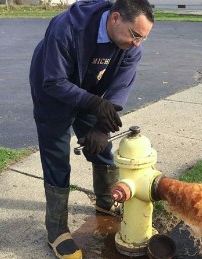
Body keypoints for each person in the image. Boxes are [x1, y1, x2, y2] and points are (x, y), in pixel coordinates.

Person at [29, 0, 154, 258]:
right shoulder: (67, 27)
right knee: (57, 158)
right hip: (52, 92)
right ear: (115, 18)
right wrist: (92, 102)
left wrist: (100, 127)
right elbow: (54, 81)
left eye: (143, 38)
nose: (137, 44)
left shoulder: (131, 45)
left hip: (89, 91)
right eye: (135, 35)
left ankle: (107, 203)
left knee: (102, 150)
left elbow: (120, 87)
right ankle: (56, 230)